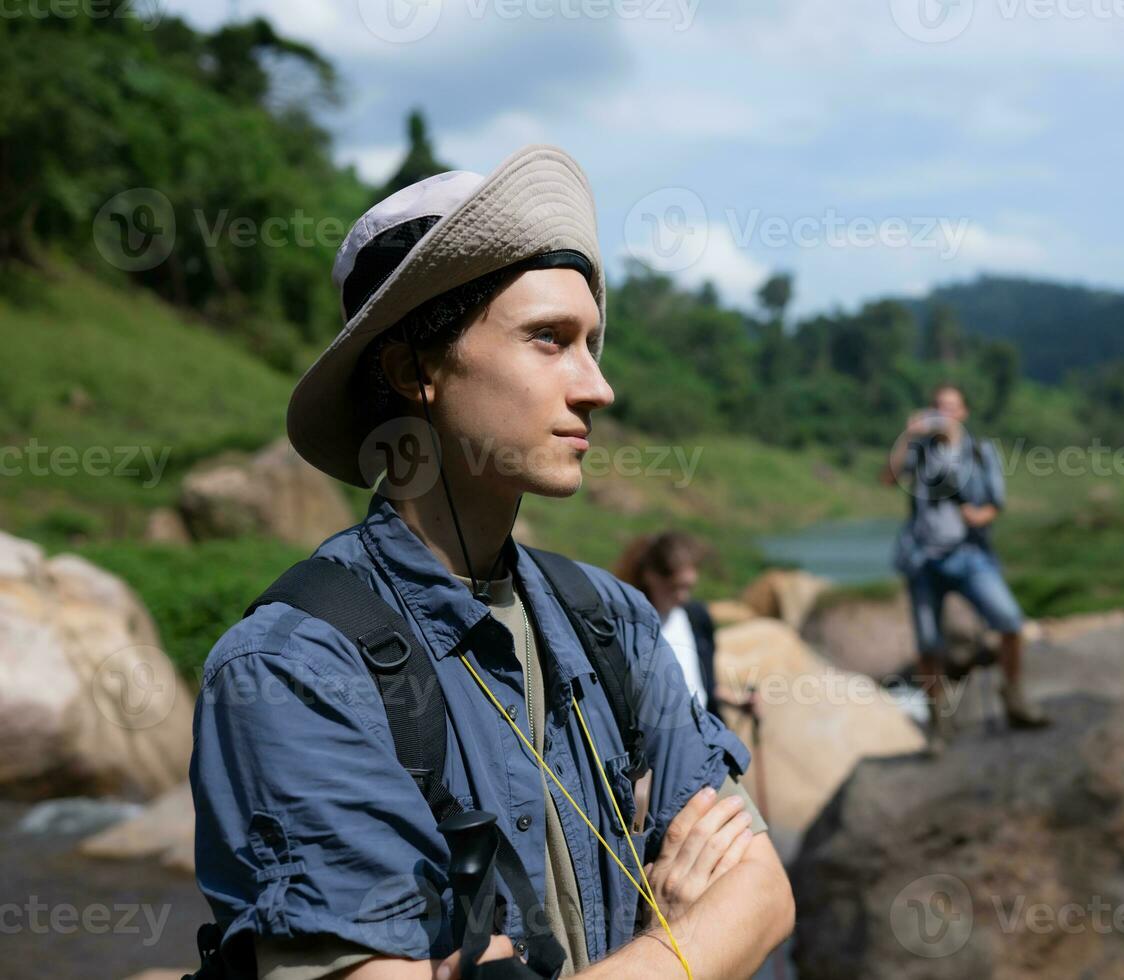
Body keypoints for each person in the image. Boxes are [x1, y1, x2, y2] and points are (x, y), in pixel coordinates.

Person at [189, 147, 793, 980]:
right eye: (550, 340)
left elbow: (764, 894)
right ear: (413, 368)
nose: (598, 387)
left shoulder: (611, 619)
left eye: (591, 343)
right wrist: (686, 940)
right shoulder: (293, 670)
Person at [881, 382, 1049, 748]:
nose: (945, 413)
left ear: (963, 412)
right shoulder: (919, 450)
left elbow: (996, 502)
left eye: (951, 407)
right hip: (923, 558)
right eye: (938, 406)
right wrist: (906, 437)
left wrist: (978, 516)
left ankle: (1014, 695)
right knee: (927, 643)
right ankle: (938, 721)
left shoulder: (979, 451)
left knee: (1009, 620)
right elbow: (888, 477)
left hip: (969, 555)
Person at [613, 531, 754, 719]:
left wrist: (737, 700)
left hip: (702, 733)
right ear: (650, 576)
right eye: (674, 587)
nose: (683, 596)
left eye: (688, 587)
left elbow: (701, 684)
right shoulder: (627, 625)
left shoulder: (696, 617)